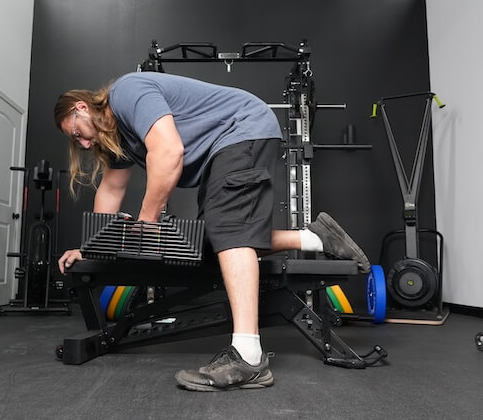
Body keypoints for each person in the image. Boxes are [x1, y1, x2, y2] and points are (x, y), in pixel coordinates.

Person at [55, 72, 369, 391]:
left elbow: (168, 152)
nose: (83, 143)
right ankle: (318, 237)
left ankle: (249, 358)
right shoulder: (116, 139)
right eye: (76, 142)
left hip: (242, 128)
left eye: (77, 132)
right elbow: (111, 190)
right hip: (220, 153)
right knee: (205, 244)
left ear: (82, 107)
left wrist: (147, 222)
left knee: (228, 228)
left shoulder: (126, 92)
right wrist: (91, 248)